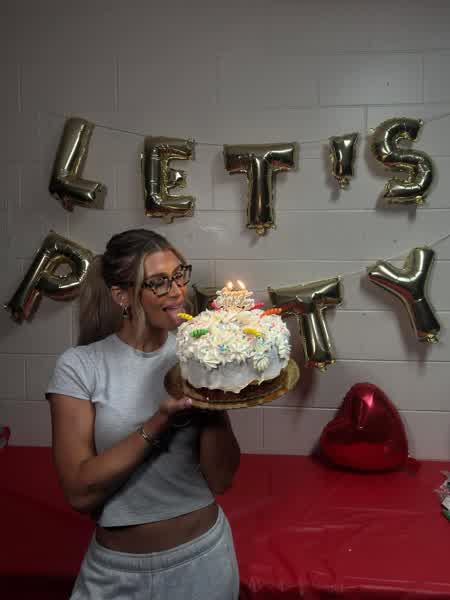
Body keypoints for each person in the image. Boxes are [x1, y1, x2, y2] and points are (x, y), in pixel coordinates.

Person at [46, 228, 241, 600]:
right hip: (116, 572)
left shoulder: (195, 355)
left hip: (202, 562)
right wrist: (160, 421)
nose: (177, 290)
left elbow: (222, 479)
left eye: (179, 275)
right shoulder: (80, 366)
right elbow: (79, 493)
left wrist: (213, 404)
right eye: (159, 282)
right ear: (122, 295)